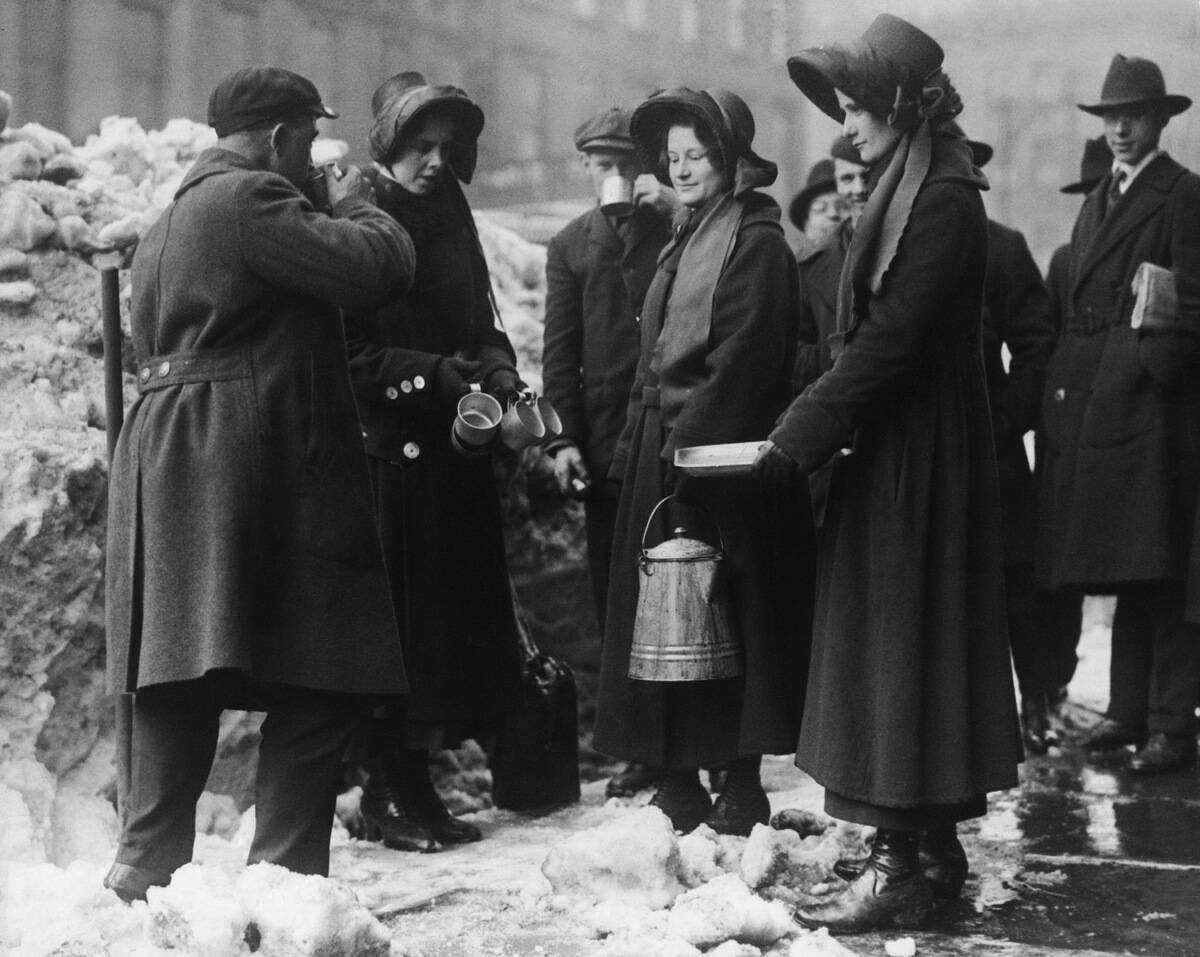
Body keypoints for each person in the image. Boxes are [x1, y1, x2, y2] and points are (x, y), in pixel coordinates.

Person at [102, 66, 414, 902]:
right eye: (309, 138)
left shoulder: (171, 215)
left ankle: (145, 865)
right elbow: (376, 267)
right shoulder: (250, 201)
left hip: (172, 459)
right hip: (248, 456)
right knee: (324, 665)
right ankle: (283, 881)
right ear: (279, 137)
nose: (313, 153)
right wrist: (352, 203)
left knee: (180, 671)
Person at [758, 14, 1022, 930]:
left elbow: (889, 342)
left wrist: (796, 435)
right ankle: (929, 851)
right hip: (905, 449)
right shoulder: (918, 182)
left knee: (900, 650)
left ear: (906, 106)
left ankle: (902, 860)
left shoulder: (943, 198)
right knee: (905, 647)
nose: (848, 126)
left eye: (860, 107)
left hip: (920, 457)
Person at [594, 86, 814, 838]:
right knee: (665, 620)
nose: (683, 170)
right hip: (666, 447)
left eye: (699, 156)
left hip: (716, 459)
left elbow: (745, 360)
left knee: (725, 615)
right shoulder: (684, 235)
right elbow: (651, 354)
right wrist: (639, 451)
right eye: (675, 158)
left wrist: (688, 457)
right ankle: (678, 777)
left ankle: (741, 783)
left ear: (732, 162)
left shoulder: (754, 242)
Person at [344, 71, 525, 847]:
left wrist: (500, 366)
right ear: (388, 145)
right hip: (390, 459)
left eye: (447, 147)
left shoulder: (450, 208)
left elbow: (478, 313)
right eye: (421, 146)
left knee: (444, 633)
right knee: (395, 634)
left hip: (455, 452)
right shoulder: (358, 214)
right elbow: (351, 356)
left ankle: (416, 784)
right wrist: (437, 376)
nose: (435, 161)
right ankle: (384, 787)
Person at [1036, 54, 1200, 775]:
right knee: (1131, 562)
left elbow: (1191, 300)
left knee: (1164, 565)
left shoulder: (1184, 194)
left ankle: (1171, 721)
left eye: (1133, 116)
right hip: (1099, 407)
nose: (1121, 129)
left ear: (1162, 120)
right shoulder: (1098, 197)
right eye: (1110, 118)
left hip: (1157, 407)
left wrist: (1146, 362)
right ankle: (1128, 709)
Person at [541, 106, 677, 800]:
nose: (617, 177)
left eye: (628, 164)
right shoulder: (570, 245)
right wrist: (560, 439)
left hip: (668, 438)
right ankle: (639, 748)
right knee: (614, 595)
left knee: (679, 588)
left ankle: (684, 742)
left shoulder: (677, 229)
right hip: (600, 448)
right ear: (588, 169)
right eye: (606, 166)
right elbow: (558, 358)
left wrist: (675, 208)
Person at [951, 123, 1058, 754]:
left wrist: (1004, 420)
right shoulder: (908, 247)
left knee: (1016, 581)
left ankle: (1037, 702)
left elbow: (1037, 346)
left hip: (991, 451)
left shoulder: (1002, 247)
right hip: (930, 450)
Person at [1035, 135, 1114, 713]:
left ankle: (1137, 704)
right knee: (1060, 569)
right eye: (1090, 194)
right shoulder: (1066, 261)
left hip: (1122, 426)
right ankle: (1055, 678)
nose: (1097, 204)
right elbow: (1046, 344)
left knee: (1130, 567)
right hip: (1069, 433)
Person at [788, 158, 846, 256]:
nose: (833, 213)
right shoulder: (795, 268)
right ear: (806, 224)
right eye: (820, 208)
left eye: (842, 206)